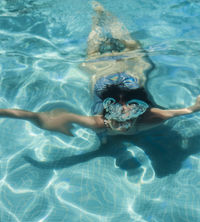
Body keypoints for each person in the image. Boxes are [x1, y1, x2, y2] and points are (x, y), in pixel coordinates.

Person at [0, 1, 200, 143]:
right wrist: (195, 106)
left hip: (101, 74)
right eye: (126, 118)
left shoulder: (99, 123)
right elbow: (189, 110)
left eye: (122, 120)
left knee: (96, 48)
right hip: (132, 73)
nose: (124, 120)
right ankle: (101, 10)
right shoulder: (152, 118)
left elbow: (40, 116)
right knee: (130, 46)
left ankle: (98, 12)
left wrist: (6, 113)